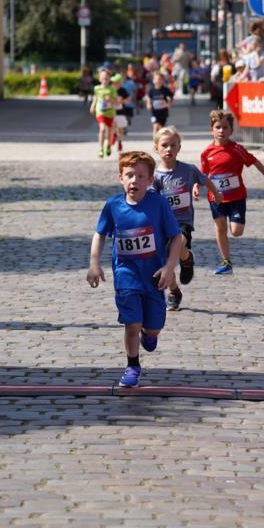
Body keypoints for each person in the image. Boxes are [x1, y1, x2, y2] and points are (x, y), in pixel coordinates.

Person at [86, 150, 182, 388]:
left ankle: (149, 334)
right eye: (129, 175)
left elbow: (177, 238)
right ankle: (132, 366)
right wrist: (94, 264)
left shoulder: (158, 204)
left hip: (153, 276)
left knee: (153, 330)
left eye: (140, 176)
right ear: (120, 178)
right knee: (132, 323)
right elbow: (100, 234)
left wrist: (169, 268)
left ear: (150, 181)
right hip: (126, 275)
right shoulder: (113, 205)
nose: (134, 181)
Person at [152, 125, 223, 311]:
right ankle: (174, 291)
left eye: (173, 145)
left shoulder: (188, 170)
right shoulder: (155, 177)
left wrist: (215, 193)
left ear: (179, 147)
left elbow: (204, 179)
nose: (169, 149)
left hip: (182, 222)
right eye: (164, 145)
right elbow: (150, 201)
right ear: (156, 148)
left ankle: (186, 258)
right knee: (166, 262)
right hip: (162, 225)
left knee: (181, 242)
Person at [200, 109, 264, 275]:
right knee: (221, 227)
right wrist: (196, 186)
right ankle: (226, 261)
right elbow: (203, 174)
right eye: (218, 127)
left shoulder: (237, 149)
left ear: (231, 130)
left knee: (237, 231)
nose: (221, 130)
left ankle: (228, 256)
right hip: (216, 197)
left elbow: (255, 161)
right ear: (212, 130)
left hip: (236, 197)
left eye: (225, 127)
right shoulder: (207, 152)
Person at [90, 67, 116, 157]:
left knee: (109, 131)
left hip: (110, 113)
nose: (105, 80)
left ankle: (108, 145)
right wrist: (93, 106)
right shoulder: (97, 88)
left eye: (107, 78)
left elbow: (116, 101)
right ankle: (101, 148)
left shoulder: (112, 89)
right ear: (100, 79)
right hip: (100, 112)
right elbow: (96, 98)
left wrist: (110, 99)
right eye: (103, 78)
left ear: (109, 79)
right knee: (102, 129)